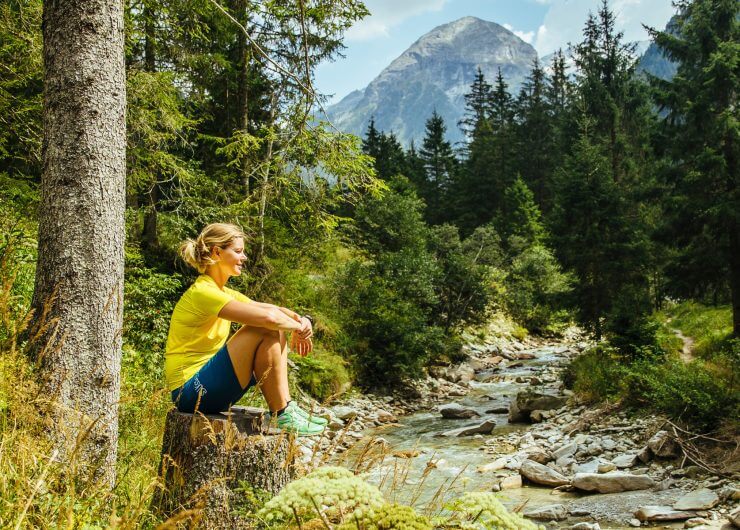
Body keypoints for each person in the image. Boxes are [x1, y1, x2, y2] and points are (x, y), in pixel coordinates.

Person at [164, 222, 326, 436]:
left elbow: (273, 309)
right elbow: (268, 318)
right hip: (190, 393)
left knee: (273, 327)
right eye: (238, 251)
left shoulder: (222, 291)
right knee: (264, 327)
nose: (244, 257)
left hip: (210, 386)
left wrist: (302, 321)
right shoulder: (202, 292)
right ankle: (282, 413)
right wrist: (297, 328)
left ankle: (286, 407)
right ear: (217, 252)